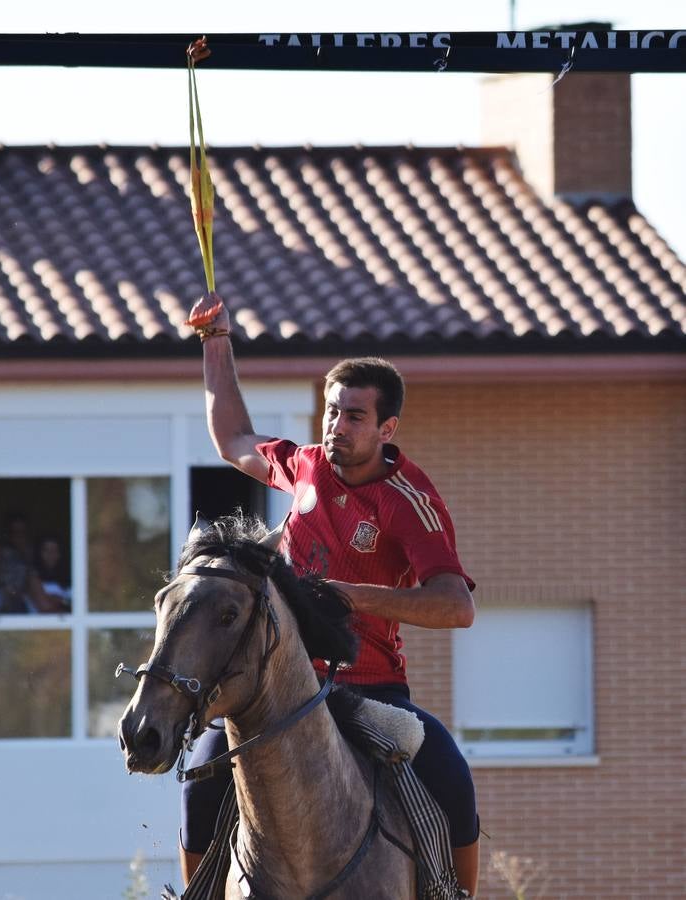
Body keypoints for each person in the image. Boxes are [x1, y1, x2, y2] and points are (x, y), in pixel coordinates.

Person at [181, 293, 480, 896]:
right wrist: (217, 341)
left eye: (353, 418)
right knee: (202, 768)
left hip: (370, 690)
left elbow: (456, 606)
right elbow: (233, 437)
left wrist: (352, 595)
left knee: (450, 774)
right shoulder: (304, 466)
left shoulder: (410, 500)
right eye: (331, 412)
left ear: (386, 428)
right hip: (280, 683)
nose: (336, 427)